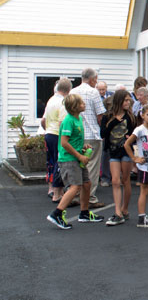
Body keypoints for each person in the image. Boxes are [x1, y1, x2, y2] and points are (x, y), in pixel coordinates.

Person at [46, 94, 104, 229]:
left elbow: (73, 140)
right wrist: (80, 156)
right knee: (75, 186)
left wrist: (83, 147)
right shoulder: (69, 121)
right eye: (82, 103)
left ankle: (84, 213)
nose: (84, 104)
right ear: (75, 106)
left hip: (77, 157)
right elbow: (64, 143)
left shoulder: (78, 119)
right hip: (69, 159)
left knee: (87, 183)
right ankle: (57, 214)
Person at [69, 68, 106, 208]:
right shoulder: (93, 92)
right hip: (91, 134)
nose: (96, 82)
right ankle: (89, 198)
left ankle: (76, 194)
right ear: (91, 79)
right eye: (96, 79)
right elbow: (100, 115)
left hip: (76, 134)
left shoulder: (73, 92)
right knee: (92, 167)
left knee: (78, 166)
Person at [101, 89, 135, 226]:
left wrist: (130, 138)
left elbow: (133, 133)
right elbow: (103, 133)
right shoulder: (107, 116)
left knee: (125, 180)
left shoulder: (130, 117)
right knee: (115, 180)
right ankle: (117, 212)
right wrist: (114, 122)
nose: (128, 102)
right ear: (119, 101)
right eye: (126, 100)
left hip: (126, 151)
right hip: (113, 151)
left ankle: (125, 209)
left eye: (129, 100)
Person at [41, 78, 73, 203]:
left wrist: (47, 129)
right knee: (59, 163)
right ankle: (57, 193)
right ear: (68, 90)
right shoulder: (63, 102)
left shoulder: (51, 100)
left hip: (48, 133)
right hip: (57, 136)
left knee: (50, 162)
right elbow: (62, 124)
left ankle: (51, 189)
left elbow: (43, 120)